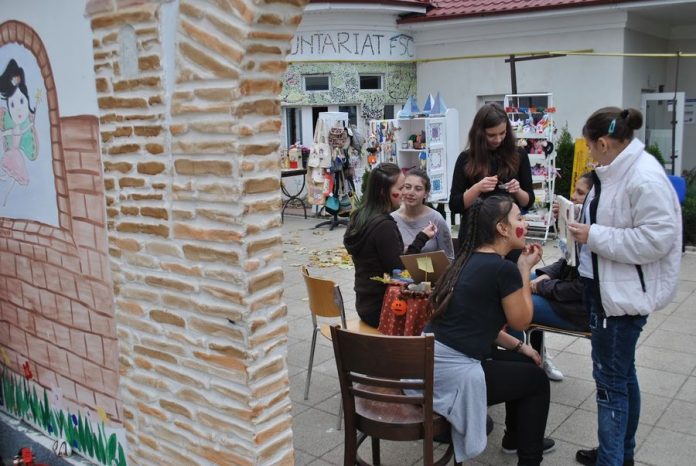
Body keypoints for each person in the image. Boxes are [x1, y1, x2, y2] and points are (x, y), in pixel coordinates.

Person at [568, 108, 682, 466]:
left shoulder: (642, 176)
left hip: (621, 298)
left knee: (610, 385)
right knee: (621, 375)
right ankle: (619, 453)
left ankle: (612, 458)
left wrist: (594, 235)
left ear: (603, 143)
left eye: (590, 147)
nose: (589, 154)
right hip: (608, 289)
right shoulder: (618, 170)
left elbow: (657, 239)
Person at [425, 194, 554, 466]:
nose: (524, 224)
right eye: (519, 218)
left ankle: (515, 438)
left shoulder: (467, 258)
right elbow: (522, 321)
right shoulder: (503, 269)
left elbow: (477, 320)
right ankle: (529, 460)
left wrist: (521, 346)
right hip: (452, 372)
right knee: (537, 381)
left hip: (431, 361)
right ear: (502, 228)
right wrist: (524, 269)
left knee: (524, 362)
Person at [522, 173, 595, 381]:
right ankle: (533, 355)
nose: (573, 197)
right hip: (568, 293)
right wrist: (544, 276)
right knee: (517, 285)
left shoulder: (593, 232)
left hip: (579, 309)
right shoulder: (581, 224)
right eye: (574, 191)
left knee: (518, 301)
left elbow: (580, 287)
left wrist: (540, 286)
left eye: (580, 193)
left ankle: (530, 359)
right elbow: (566, 261)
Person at [344, 163, 436, 327]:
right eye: (401, 188)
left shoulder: (360, 216)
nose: (405, 193)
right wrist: (421, 238)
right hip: (383, 307)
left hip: (365, 303)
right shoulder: (384, 226)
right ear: (383, 192)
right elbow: (399, 272)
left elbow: (379, 258)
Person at [449, 102, 534, 246]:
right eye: (491, 135)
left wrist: (517, 190)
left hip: (509, 235)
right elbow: (455, 205)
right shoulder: (466, 158)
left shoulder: (519, 155)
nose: (498, 139)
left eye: (502, 133)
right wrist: (477, 188)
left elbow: (528, 201)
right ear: (480, 133)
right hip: (476, 234)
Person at [392, 168, 455, 260]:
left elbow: (449, 257)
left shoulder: (436, 219)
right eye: (407, 187)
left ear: (426, 193)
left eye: (418, 189)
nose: (411, 193)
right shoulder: (392, 219)